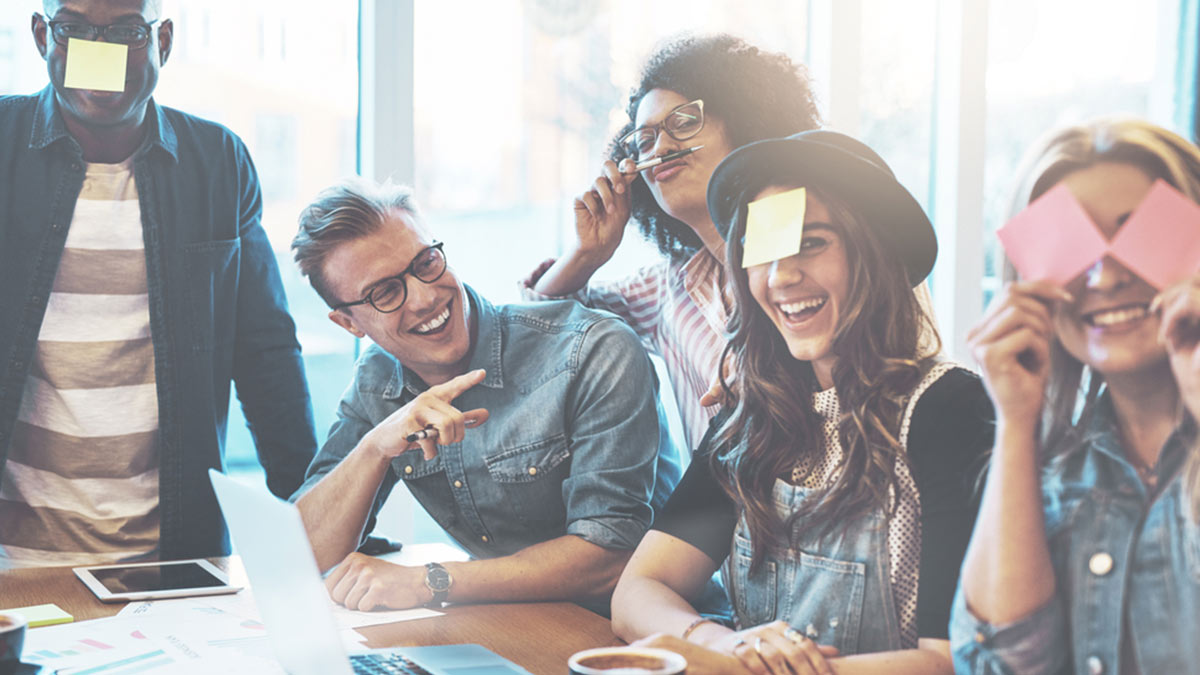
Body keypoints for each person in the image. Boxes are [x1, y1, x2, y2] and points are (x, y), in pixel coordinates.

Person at [610, 130, 994, 674]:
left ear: (873, 252)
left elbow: (954, 660)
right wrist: (723, 645)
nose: (783, 276)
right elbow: (637, 592)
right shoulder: (752, 416)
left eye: (812, 243)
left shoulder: (950, 408)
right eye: (761, 253)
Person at [0, 0, 316, 567]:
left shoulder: (217, 162)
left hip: (170, 558)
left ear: (163, 41)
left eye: (125, 32)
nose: (99, 56)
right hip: (12, 564)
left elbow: (265, 351)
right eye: (73, 30)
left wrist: (316, 511)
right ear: (41, 36)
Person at [289, 178, 680, 614]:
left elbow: (609, 559)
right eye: (385, 292)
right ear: (348, 324)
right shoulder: (377, 381)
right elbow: (300, 552)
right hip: (510, 630)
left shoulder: (592, 349)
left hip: (638, 637)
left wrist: (429, 582)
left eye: (426, 262)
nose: (424, 297)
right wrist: (376, 446)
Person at [952, 118, 1200, 673]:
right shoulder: (1052, 475)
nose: (1105, 278)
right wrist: (1016, 423)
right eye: (1072, 247)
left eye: (1138, 235)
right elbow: (997, 665)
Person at [522, 34, 822, 452]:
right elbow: (537, 334)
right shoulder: (668, 288)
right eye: (644, 141)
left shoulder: (818, 245)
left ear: (746, 122)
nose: (660, 148)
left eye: (683, 123)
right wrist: (587, 254)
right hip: (719, 514)